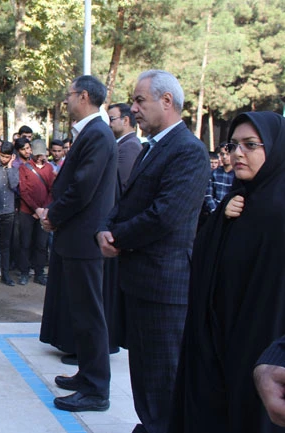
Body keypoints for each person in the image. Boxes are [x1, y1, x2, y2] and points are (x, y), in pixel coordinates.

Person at [96, 70, 210, 432]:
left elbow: (165, 216)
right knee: (145, 373)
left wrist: (117, 237)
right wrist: (106, 227)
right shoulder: (153, 147)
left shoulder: (188, 150)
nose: (133, 108)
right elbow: (128, 201)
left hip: (165, 284)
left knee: (164, 378)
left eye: (140, 100)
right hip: (141, 280)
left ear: (167, 101)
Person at [170, 111, 285, 433]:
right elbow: (205, 258)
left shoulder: (278, 208)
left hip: (262, 344)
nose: (238, 154)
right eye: (233, 145)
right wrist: (222, 219)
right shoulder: (239, 198)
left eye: (250, 145)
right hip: (221, 342)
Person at [38, 75, 116, 413]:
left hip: (84, 240)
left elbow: (83, 187)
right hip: (76, 238)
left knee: (90, 315)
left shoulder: (97, 134)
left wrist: (54, 215)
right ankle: (86, 374)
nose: (66, 101)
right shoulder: (91, 132)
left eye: (69, 95)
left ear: (83, 96)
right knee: (81, 313)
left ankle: (96, 391)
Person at [17, 138, 53, 286]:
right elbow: (23, 191)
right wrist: (35, 208)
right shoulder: (24, 168)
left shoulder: (49, 168)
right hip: (27, 211)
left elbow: (52, 190)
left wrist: (44, 209)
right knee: (25, 243)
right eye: (37, 154)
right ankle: (24, 273)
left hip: (44, 212)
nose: (39, 157)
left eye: (41, 154)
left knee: (41, 244)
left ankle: (39, 273)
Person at [0, 140, 20, 287]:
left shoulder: (14, 169)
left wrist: (10, 167)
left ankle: (6, 275)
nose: (4, 159)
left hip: (9, 212)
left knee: (6, 245)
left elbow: (14, 185)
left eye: (7, 157)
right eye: (2, 156)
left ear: (12, 156)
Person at [107, 103, 143, 195]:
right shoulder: (124, 144)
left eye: (111, 119)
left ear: (126, 120)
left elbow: (120, 186)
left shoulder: (130, 146)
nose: (108, 124)